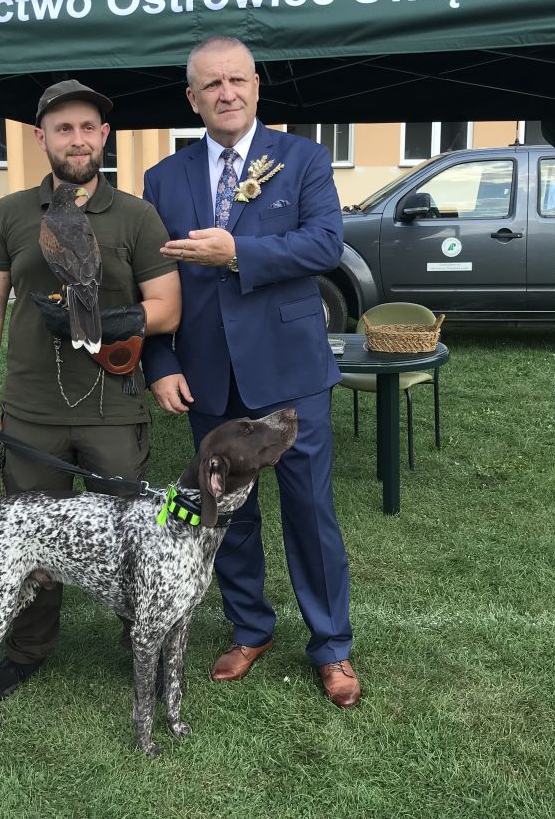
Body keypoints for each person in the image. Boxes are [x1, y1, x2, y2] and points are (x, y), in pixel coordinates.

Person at [142, 37, 361, 708]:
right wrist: (160, 361)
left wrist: (237, 251)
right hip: (207, 372)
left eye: (237, 80)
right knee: (224, 510)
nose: (227, 92)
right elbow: (150, 277)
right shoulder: (163, 178)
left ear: (257, 86)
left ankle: (332, 644)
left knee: (310, 510)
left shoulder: (303, 159)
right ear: (192, 98)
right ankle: (250, 628)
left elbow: (325, 244)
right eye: (212, 84)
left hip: (291, 371)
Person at [0, 80, 181, 697]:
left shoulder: (136, 214)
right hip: (31, 409)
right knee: (35, 538)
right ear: (42, 138)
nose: (78, 139)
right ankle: (29, 648)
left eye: (89, 127)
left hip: (114, 407)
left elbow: (167, 306)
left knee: (133, 536)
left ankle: (139, 640)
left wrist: (111, 321)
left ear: (105, 135)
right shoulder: (10, 213)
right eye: (64, 128)